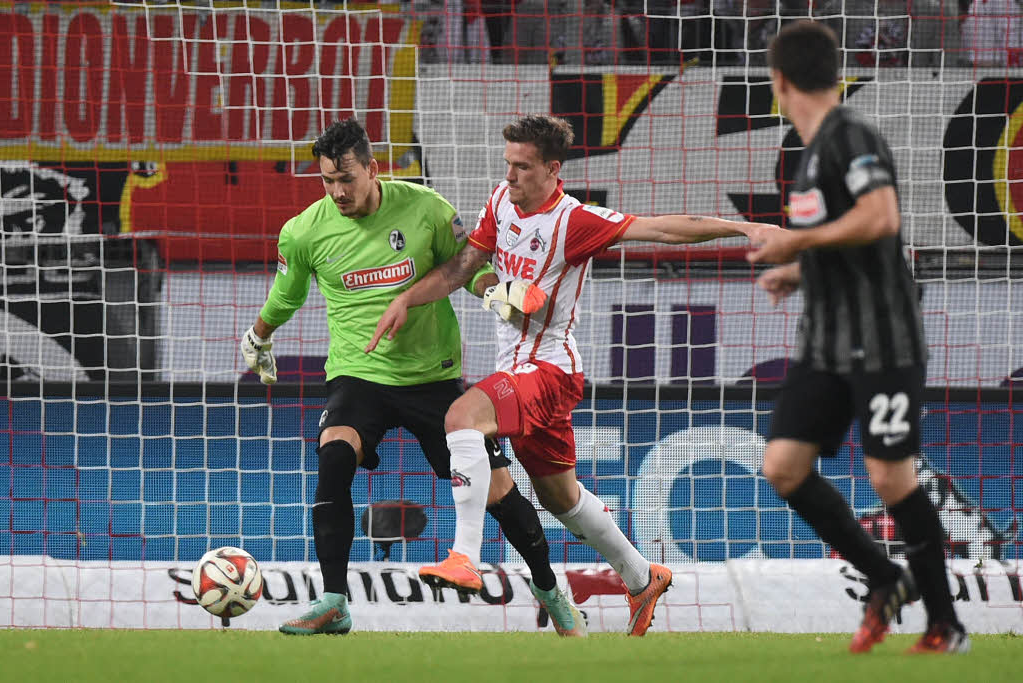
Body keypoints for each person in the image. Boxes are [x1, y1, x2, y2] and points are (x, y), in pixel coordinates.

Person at [366, 114, 779, 635]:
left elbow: (664, 228)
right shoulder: (500, 200)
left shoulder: (573, 220)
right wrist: (408, 297)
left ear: (553, 169)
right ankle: (640, 575)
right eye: (508, 164)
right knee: (561, 499)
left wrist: (744, 227)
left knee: (461, 416)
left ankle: (462, 557)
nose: (510, 175)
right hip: (516, 369)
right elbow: (464, 266)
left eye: (523, 167)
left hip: (547, 369)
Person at [241, 118, 584, 637]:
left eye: (347, 180)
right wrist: (258, 335)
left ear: (373, 169)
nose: (337, 192)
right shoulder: (305, 230)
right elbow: (287, 296)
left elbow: (466, 268)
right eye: (327, 181)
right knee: (334, 453)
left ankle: (549, 591)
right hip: (359, 375)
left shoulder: (427, 211)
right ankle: (334, 601)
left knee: (498, 491)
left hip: (433, 378)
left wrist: (497, 292)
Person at [746, 20, 969, 654]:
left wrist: (796, 242)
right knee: (784, 468)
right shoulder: (812, 150)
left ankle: (946, 625)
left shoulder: (851, 133)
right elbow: (857, 242)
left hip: (882, 341)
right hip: (825, 341)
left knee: (889, 478)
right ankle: (885, 577)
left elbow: (881, 217)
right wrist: (799, 269)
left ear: (779, 80)